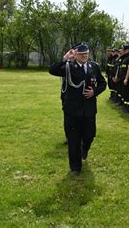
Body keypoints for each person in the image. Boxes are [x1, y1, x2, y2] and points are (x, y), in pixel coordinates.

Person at [49, 42, 107, 176]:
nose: (84, 56)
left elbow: (103, 83)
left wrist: (95, 91)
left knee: (90, 135)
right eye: (81, 54)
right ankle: (75, 167)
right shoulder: (68, 66)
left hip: (89, 109)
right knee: (73, 138)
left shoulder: (94, 67)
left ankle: (84, 149)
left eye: (86, 54)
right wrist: (65, 58)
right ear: (76, 55)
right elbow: (52, 70)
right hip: (72, 109)